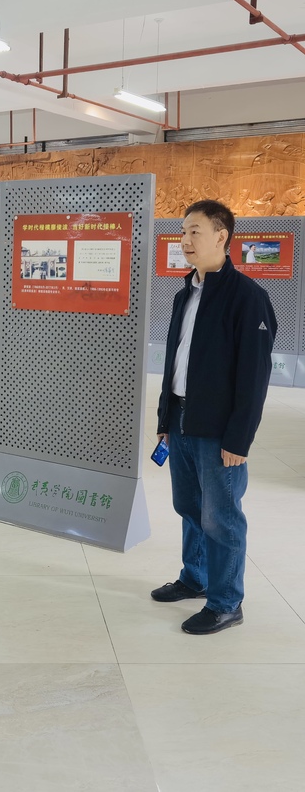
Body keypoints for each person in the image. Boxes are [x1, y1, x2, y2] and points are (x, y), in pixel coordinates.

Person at [153, 200, 276, 634]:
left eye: (195, 231)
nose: (185, 240)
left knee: (220, 517)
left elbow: (254, 377)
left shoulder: (248, 298)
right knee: (188, 506)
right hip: (182, 419)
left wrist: (239, 439)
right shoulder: (184, 293)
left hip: (219, 429)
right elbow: (175, 364)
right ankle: (196, 578)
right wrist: (165, 420)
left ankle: (226, 602)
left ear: (222, 236)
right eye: (183, 231)